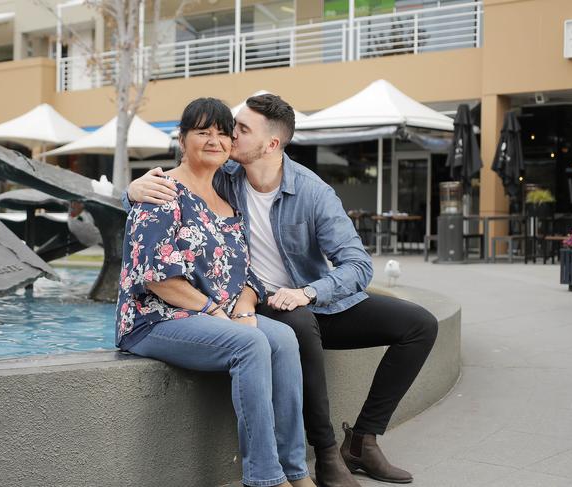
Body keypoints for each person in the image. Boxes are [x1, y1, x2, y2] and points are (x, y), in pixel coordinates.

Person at [125, 94, 439, 487]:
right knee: (293, 328)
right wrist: (132, 188)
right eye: (222, 129)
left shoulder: (312, 191)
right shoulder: (224, 176)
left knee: (419, 325)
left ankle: (361, 441)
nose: (226, 137)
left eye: (237, 130)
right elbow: (170, 189)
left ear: (271, 144)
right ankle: (322, 454)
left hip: (308, 299)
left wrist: (309, 291)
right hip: (261, 304)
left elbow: (358, 265)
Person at [116, 97, 316, 487]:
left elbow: (245, 274)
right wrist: (212, 309)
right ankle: (265, 479)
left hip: (213, 316)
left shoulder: (227, 202)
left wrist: (242, 309)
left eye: (223, 133)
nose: (215, 140)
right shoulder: (160, 192)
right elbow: (154, 274)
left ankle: (296, 470)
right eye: (203, 132)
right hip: (154, 319)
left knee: (285, 339)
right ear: (182, 138)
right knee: (252, 345)